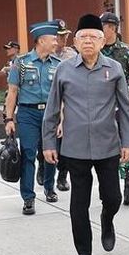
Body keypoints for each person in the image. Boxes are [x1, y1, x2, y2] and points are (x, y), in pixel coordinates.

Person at [42, 14, 129, 255]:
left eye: (93, 37)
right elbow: (51, 110)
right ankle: (84, 251)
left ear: (102, 41)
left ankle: (108, 220)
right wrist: (49, 144)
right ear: (75, 40)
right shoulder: (64, 70)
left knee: (113, 197)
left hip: (108, 146)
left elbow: (126, 109)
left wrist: (128, 141)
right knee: (78, 203)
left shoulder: (114, 69)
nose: (88, 42)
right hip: (75, 148)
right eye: (83, 37)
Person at [3, 22, 62, 214]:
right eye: (53, 39)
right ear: (41, 40)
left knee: (50, 153)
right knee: (28, 154)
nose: (56, 42)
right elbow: (12, 92)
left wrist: (62, 119)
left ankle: (49, 188)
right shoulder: (21, 63)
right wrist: (8, 119)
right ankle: (28, 198)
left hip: (50, 114)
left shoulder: (58, 64)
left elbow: (63, 96)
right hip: (28, 113)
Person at [98, 11, 129, 205]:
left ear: (111, 27)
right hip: (99, 109)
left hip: (123, 107)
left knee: (128, 145)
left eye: (101, 26)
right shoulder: (95, 50)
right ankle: (109, 187)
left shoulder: (127, 51)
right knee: (104, 148)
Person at [52, 24, 75, 192]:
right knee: (44, 142)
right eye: (60, 36)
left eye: (65, 35)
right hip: (48, 104)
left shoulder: (72, 55)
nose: (63, 39)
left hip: (67, 103)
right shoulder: (46, 54)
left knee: (64, 143)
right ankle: (45, 168)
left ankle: (62, 175)